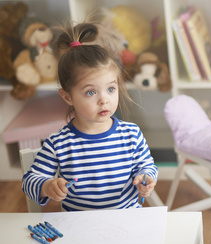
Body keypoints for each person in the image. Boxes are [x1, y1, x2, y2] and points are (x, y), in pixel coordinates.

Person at [22, 21, 158, 211]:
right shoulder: (58, 143)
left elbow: (147, 166)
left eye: (111, 89)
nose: (104, 100)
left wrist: (146, 178)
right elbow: (29, 181)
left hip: (128, 222)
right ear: (67, 96)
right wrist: (46, 186)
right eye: (90, 92)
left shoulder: (131, 134)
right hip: (80, 229)